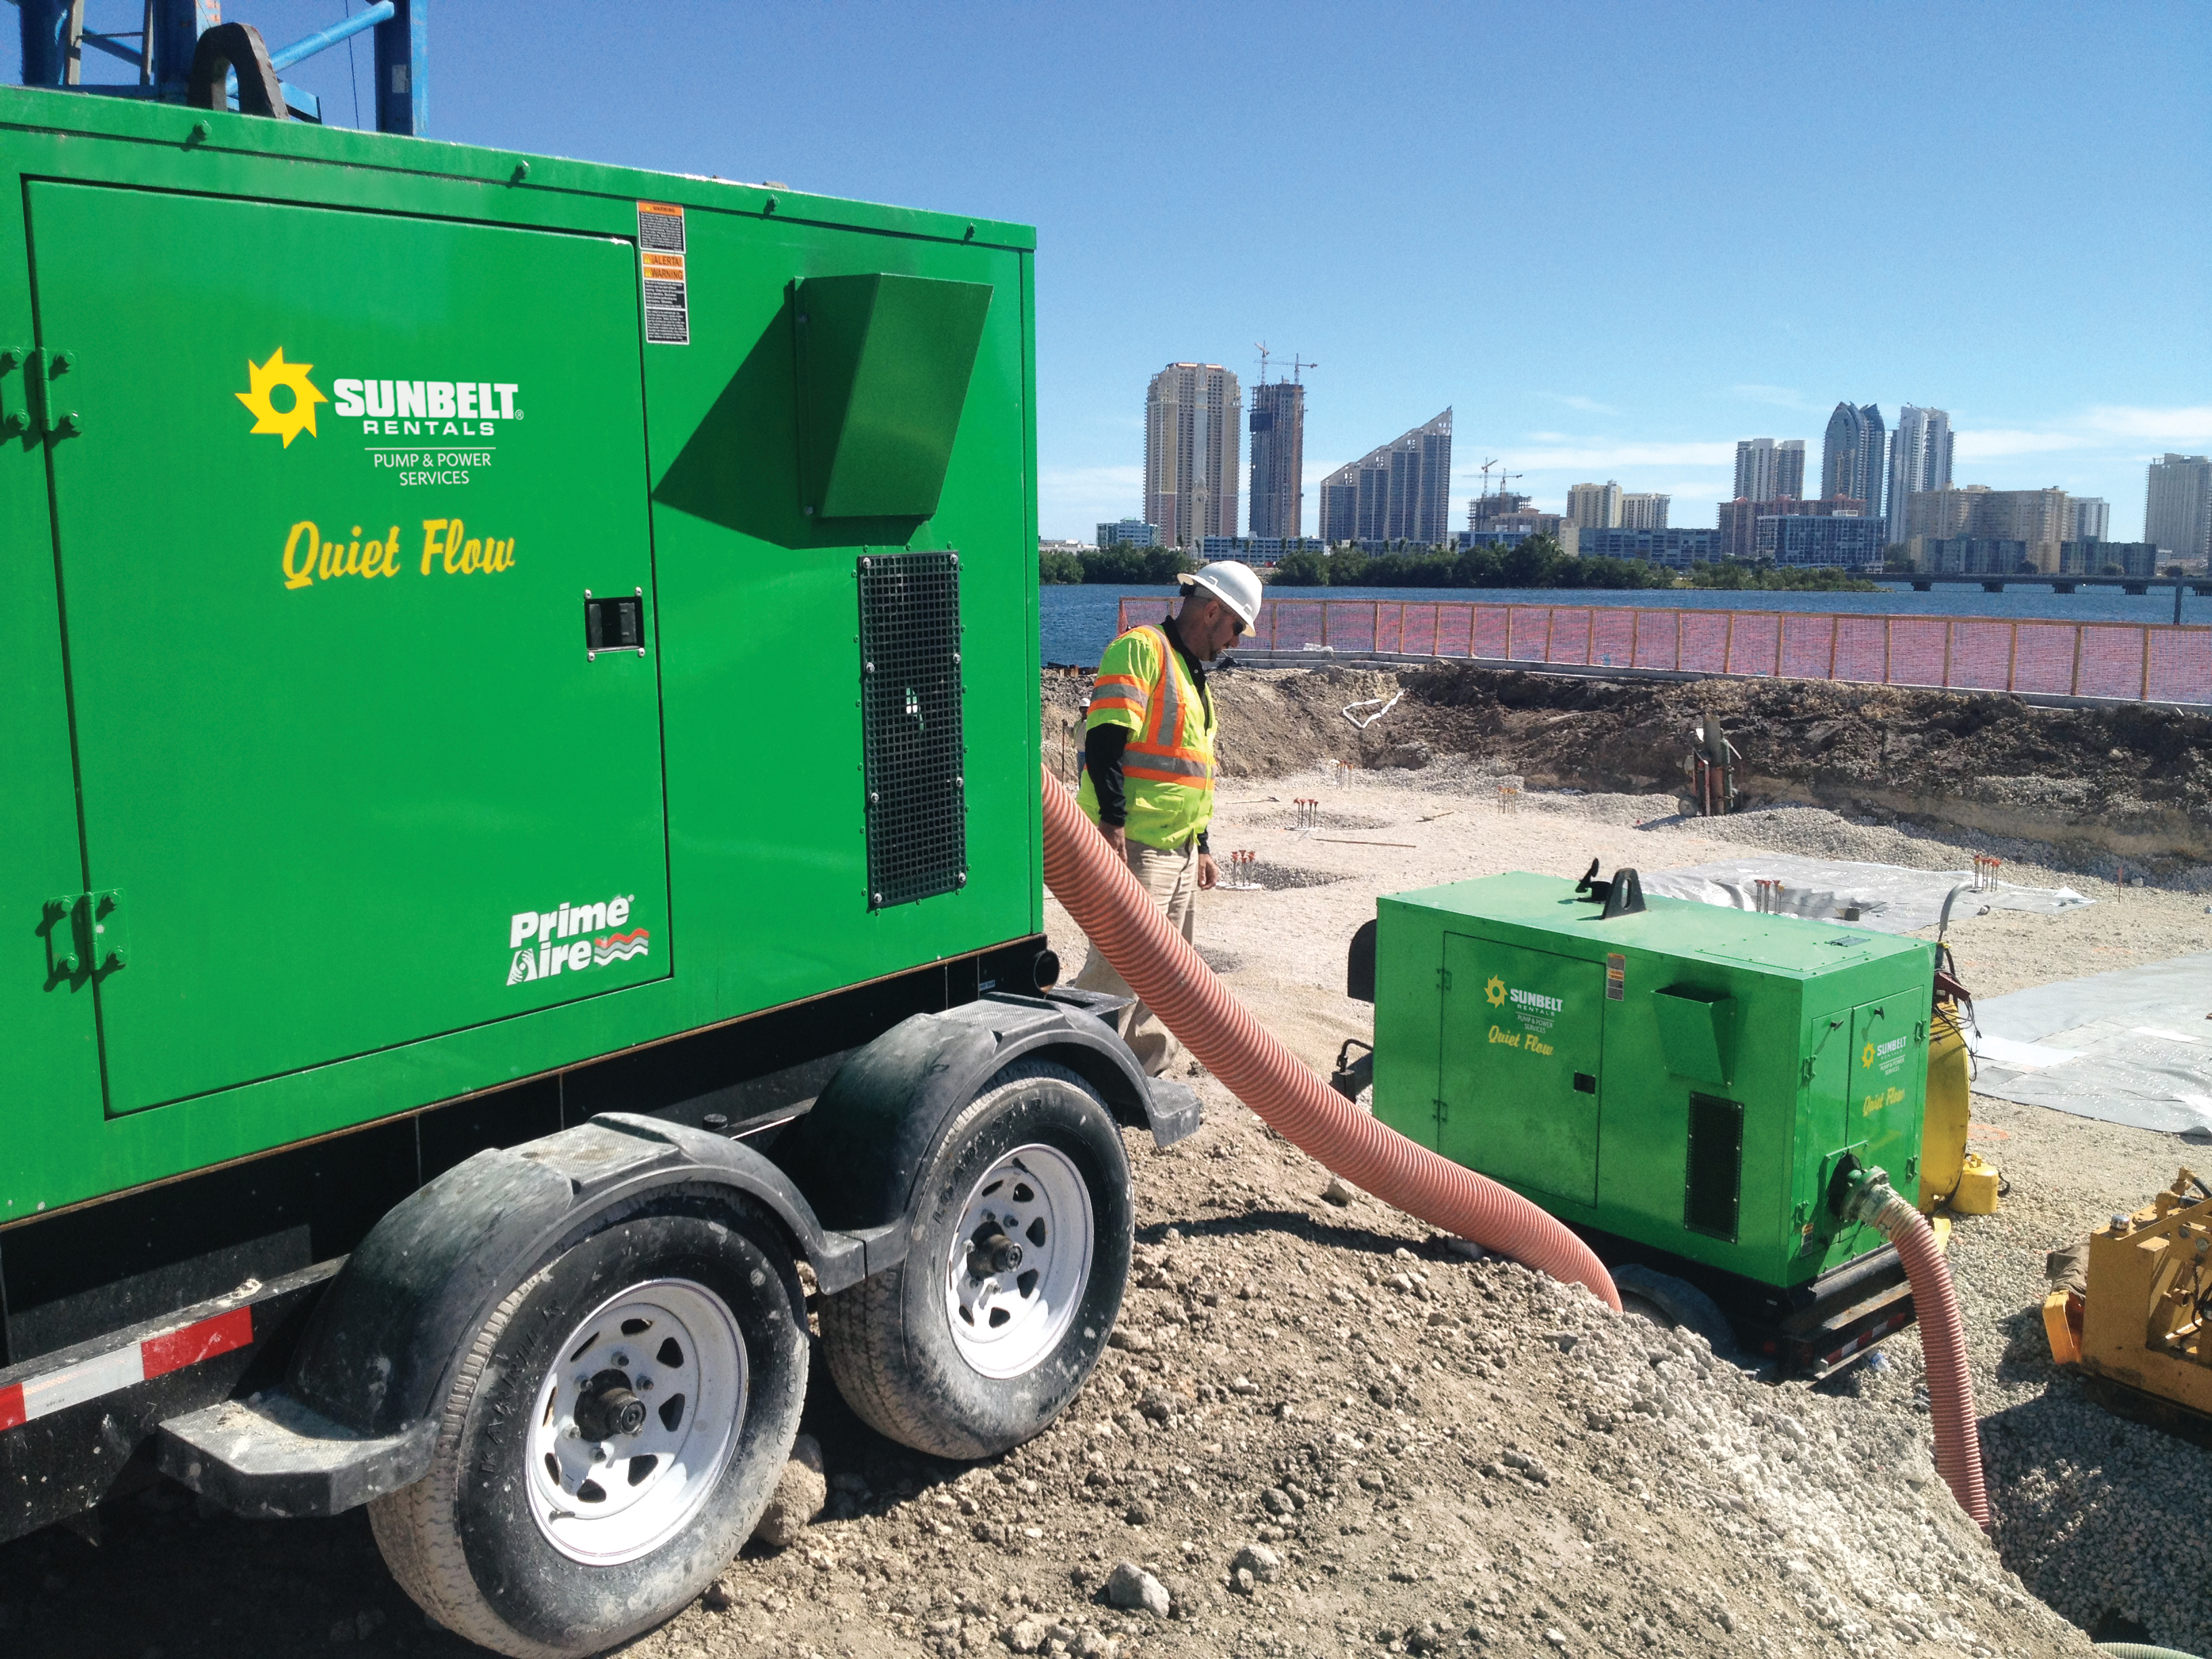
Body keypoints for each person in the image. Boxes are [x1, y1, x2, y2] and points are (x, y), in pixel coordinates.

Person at [1071, 560, 1263, 1075]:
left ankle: (1143, 1073)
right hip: (1135, 844)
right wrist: (1112, 825)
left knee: (1167, 975)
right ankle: (1079, 1066)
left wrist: (1201, 845)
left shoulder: (1193, 677)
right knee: (1118, 972)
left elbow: (1188, 771)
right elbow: (1106, 739)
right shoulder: (1142, 649)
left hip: (1174, 848)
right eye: (1237, 628)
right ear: (1212, 611)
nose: (1237, 642)